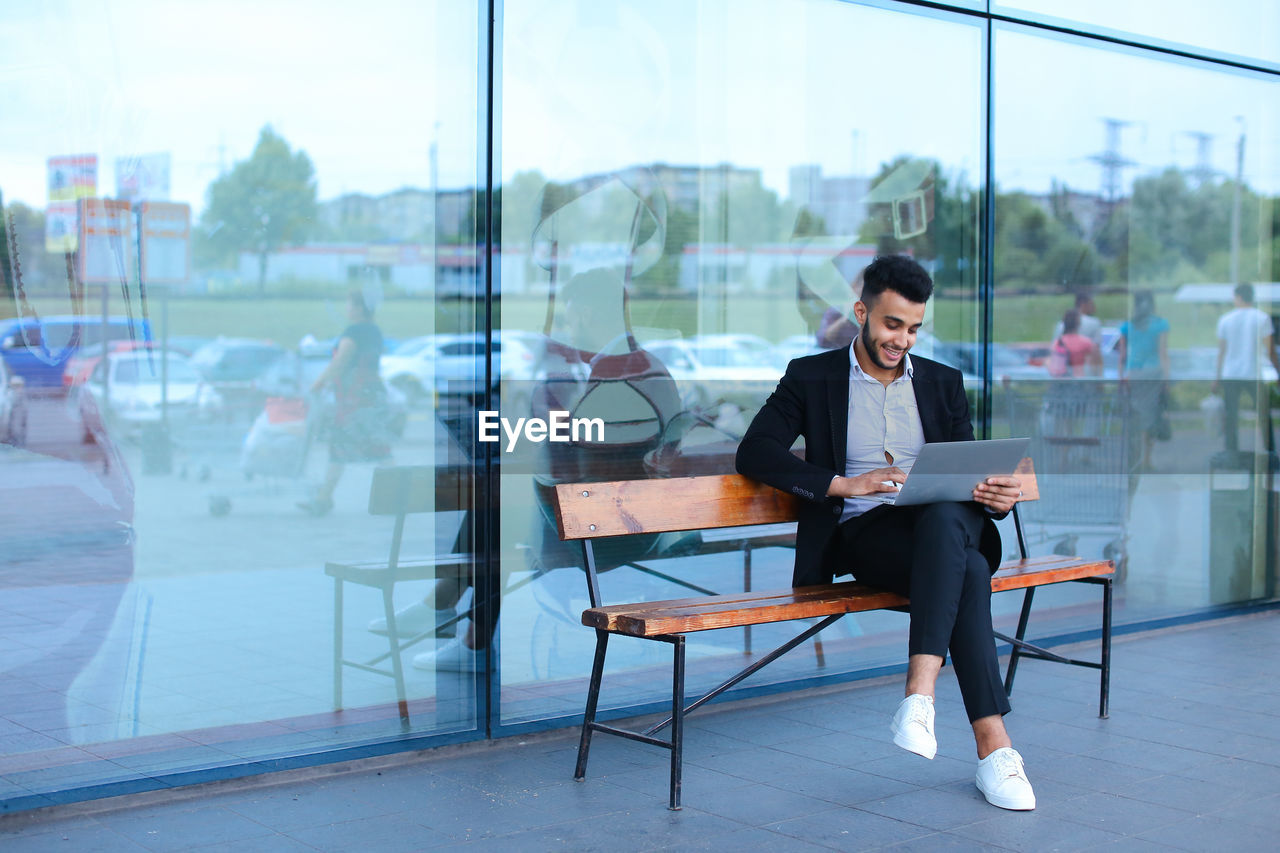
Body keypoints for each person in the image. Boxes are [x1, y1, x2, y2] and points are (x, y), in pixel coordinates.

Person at [735, 254, 1035, 811]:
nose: (903, 340)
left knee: (949, 521)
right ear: (862, 313)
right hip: (871, 538)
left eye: (915, 328)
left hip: (943, 528)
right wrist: (844, 485)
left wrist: (996, 496)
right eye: (892, 324)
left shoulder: (944, 384)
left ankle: (919, 695)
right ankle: (994, 749)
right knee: (965, 568)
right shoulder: (812, 376)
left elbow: (966, 474)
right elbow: (755, 451)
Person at [298, 288, 389, 516]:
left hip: (355, 398)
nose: (347, 309)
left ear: (359, 308)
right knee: (377, 446)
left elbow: (340, 361)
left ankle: (323, 499)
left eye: (349, 305)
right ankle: (398, 495)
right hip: (373, 394)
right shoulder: (374, 331)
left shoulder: (353, 332)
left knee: (341, 446)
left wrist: (317, 384)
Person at [1214, 283, 1279, 455]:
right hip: (1254, 373)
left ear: (1238, 297)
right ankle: (1269, 449)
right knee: (1263, 413)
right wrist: (1277, 372)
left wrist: (1217, 377)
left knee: (1231, 415)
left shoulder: (1225, 320)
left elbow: (1222, 352)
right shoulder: (1262, 318)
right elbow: (1270, 350)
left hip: (1231, 374)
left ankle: (1231, 450)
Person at [1118, 290, 1170, 472]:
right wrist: (1167, 377)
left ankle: (1137, 458)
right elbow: (1163, 352)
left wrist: (1121, 376)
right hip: (1153, 373)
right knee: (1150, 416)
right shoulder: (1161, 324)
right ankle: (1146, 459)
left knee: (1136, 415)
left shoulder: (1127, 326)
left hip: (1134, 374)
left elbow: (1123, 356)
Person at [1048, 309, 1102, 378]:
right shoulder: (1086, 343)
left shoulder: (1057, 342)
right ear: (1078, 323)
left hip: (1061, 380)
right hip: (1079, 380)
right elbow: (1094, 366)